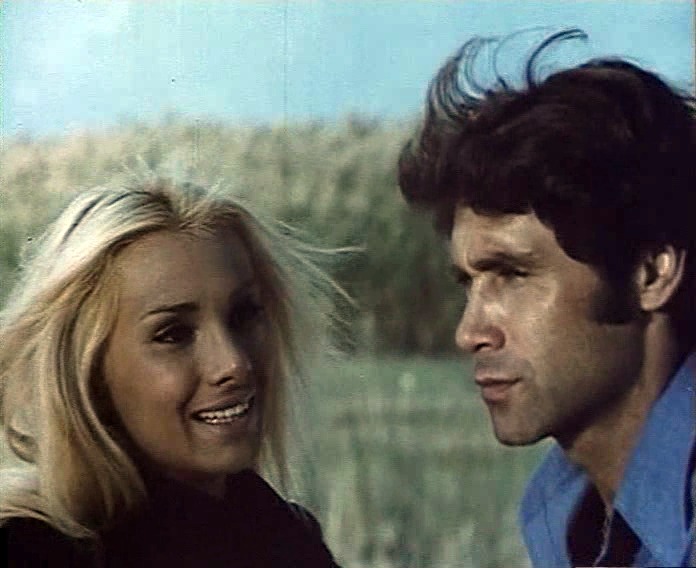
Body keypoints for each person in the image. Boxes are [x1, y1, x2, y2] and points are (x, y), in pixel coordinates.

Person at [397, 29, 696, 567]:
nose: (470, 333)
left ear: (651, 273)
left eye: (513, 275)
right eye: (468, 282)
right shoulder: (559, 514)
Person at [0, 178, 341, 567]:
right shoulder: (33, 552)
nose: (234, 363)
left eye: (244, 315)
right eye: (173, 334)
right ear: (88, 372)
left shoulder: (282, 535)